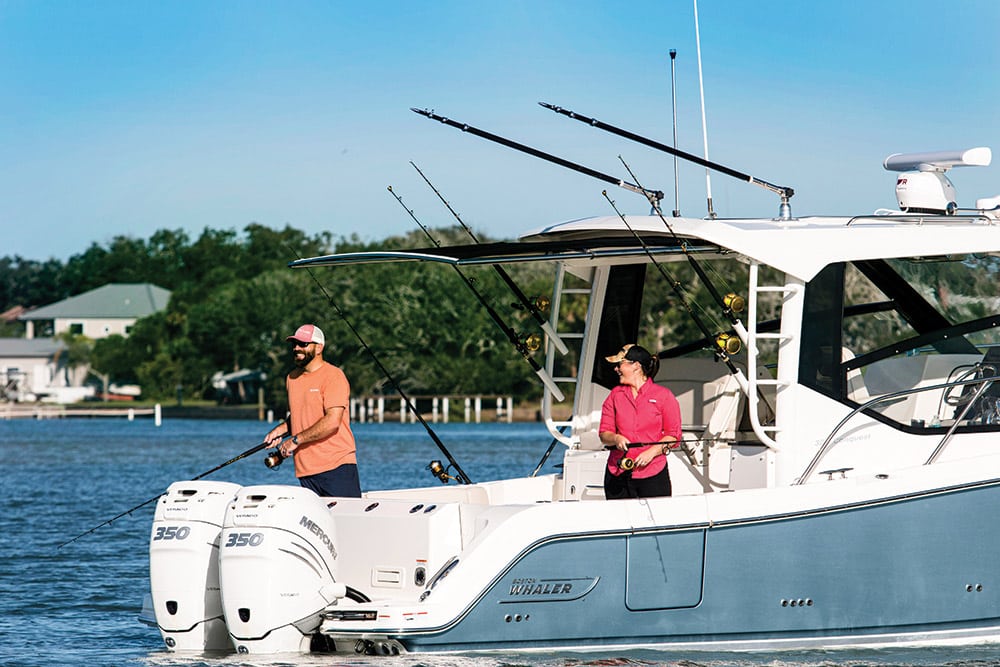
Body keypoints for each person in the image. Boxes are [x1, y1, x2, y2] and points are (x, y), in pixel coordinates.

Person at [264, 323, 362, 497]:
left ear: (319, 348)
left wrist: (295, 440)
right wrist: (281, 430)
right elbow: (303, 415)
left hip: (336, 466)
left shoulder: (334, 376)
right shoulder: (291, 378)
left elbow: (332, 422)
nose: (297, 348)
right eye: (294, 344)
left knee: (345, 522)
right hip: (305, 470)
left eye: (303, 344)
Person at [599, 343, 682, 499]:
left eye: (620, 364)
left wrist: (651, 453)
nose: (616, 369)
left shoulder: (664, 396)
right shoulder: (615, 395)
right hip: (617, 473)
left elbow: (674, 436)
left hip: (653, 474)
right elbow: (604, 433)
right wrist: (616, 438)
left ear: (636, 366)